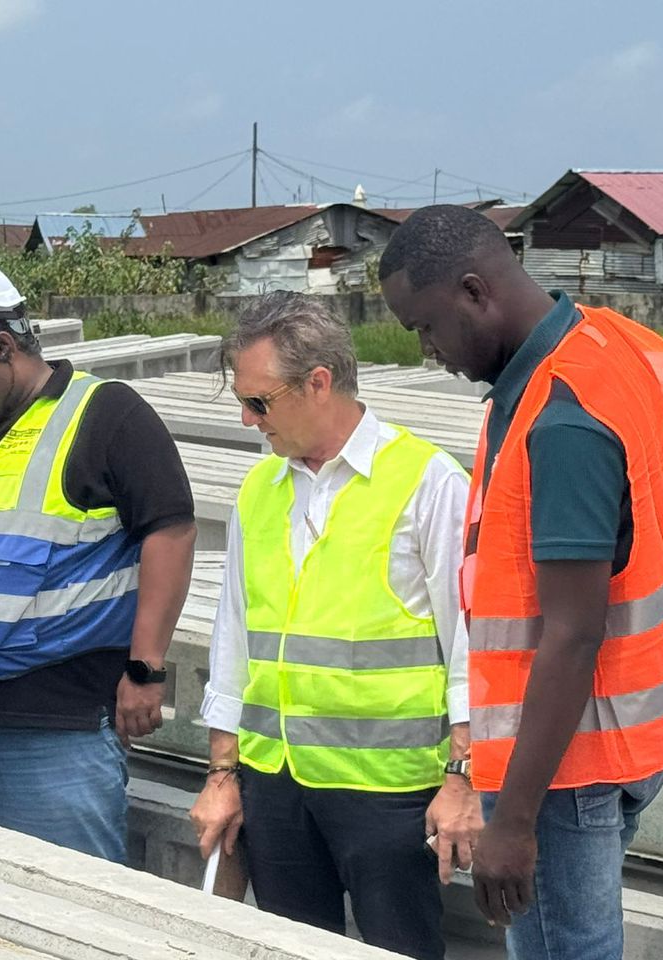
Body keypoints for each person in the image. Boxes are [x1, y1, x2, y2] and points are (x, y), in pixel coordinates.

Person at [381, 203, 663, 960]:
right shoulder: (623, 344)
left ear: (476, 291)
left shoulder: (563, 419)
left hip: (564, 762)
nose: (424, 350)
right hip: (636, 726)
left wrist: (513, 820)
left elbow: (572, 631)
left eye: (424, 327)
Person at [189, 292, 479, 960]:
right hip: (277, 786)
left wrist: (465, 780)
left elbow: (473, 649)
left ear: (318, 383)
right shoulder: (260, 489)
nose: (246, 417)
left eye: (259, 401)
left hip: (388, 795)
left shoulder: (427, 482)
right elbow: (234, 641)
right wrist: (222, 774)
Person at [0, 256, 196, 863]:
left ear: (2, 346)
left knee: (72, 911)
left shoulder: (106, 415)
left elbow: (171, 533)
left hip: (52, 730)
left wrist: (146, 668)